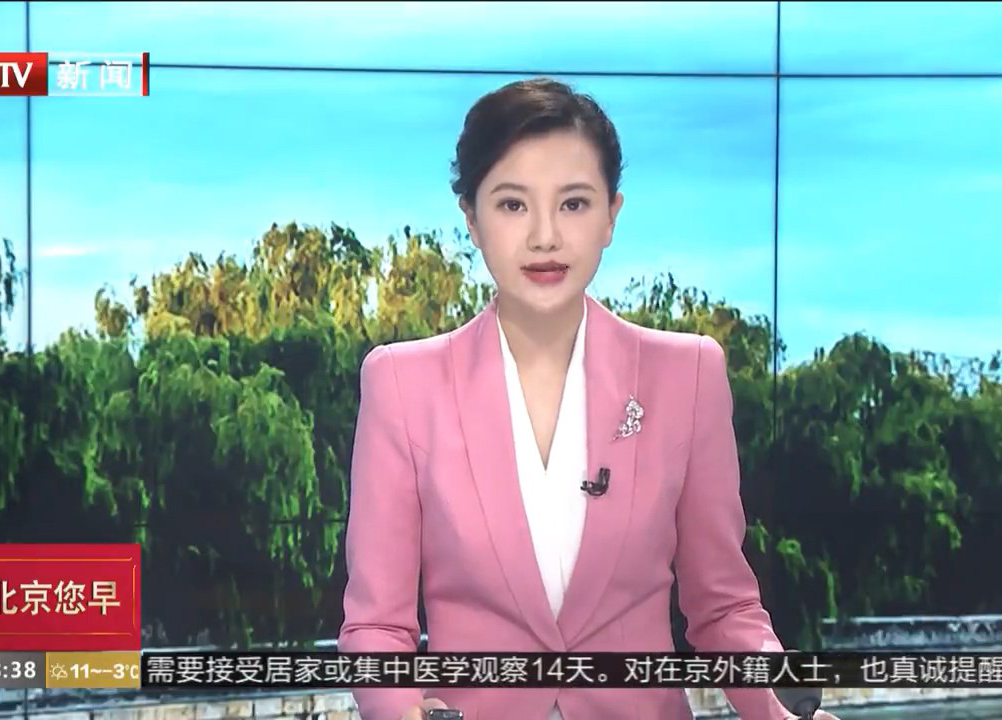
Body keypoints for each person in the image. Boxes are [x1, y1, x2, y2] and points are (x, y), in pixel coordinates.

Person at [338, 77, 840, 720]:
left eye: (573, 204)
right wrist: (401, 710)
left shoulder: (686, 375)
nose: (545, 236)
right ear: (471, 218)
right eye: (513, 205)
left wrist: (784, 712)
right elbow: (377, 626)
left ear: (611, 215)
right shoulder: (402, 384)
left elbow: (723, 607)